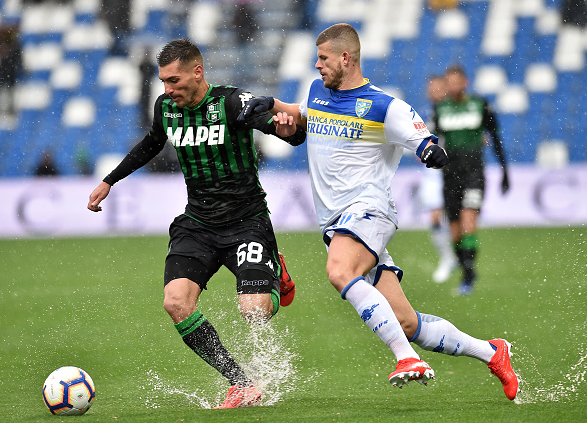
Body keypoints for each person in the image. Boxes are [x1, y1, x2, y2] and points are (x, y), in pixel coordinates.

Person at [238, 23, 518, 400]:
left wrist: (429, 151)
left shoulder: (385, 106)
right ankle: (492, 352)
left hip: (369, 210)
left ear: (345, 58)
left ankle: (407, 358)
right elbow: (302, 114)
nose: (317, 65)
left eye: (323, 58)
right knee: (406, 322)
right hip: (339, 222)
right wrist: (272, 105)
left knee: (340, 271)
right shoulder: (318, 91)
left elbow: (424, 139)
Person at [87, 39, 304, 409]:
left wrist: (290, 130)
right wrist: (110, 180)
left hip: (246, 222)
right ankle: (240, 383)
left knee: (254, 311)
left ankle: (273, 266)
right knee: (176, 303)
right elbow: (151, 143)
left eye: (174, 81)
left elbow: (288, 132)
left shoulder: (231, 102)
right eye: (163, 82)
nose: (168, 89)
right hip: (197, 225)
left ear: (197, 72)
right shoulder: (166, 108)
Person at [433, 64, 510, 295]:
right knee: (455, 232)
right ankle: (466, 268)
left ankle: (468, 275)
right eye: (450, 82)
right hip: (450, 176)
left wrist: (505, 171)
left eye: (457, 81)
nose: (454, 86)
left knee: (468, 221)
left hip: (474, 174)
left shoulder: (480, 105)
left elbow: (495, 137)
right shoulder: (440, 109)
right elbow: (433, 141)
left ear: (465, 82)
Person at [419, 75, 457, 283]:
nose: (433, 91)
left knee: (454, 217)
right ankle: (447, 258)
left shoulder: (454, 111)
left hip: (453, 171)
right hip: (433, 173)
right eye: (430, 88)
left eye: (437, 87)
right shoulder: (427, 114)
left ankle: (459, 257)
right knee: (435, 217)